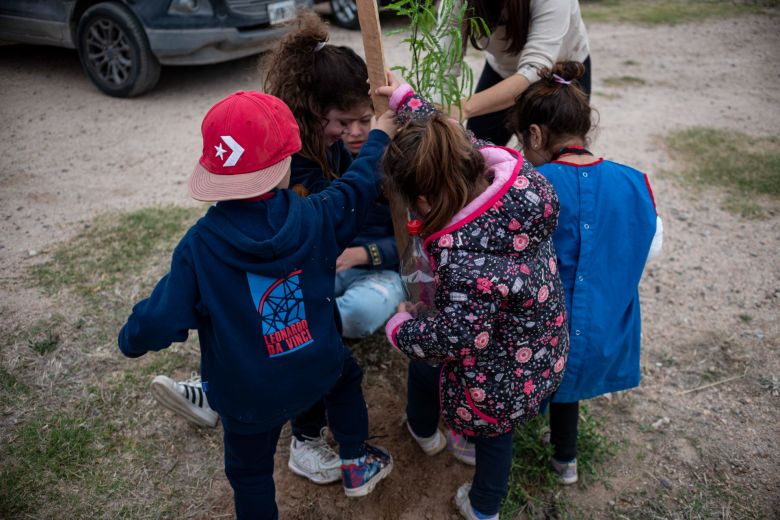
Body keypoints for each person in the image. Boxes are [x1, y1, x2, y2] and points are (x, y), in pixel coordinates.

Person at [149, 12, 406, 486]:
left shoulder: (392, 150)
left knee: (344, 315)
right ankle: (230, 397)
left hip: (370, 269)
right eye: (342, 121)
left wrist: (369, 255)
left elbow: (409, 234)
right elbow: (337, 201)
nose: (355, 132)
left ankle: (225, 389)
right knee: (296, 329)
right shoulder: (306, 164)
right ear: (313, 117)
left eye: (365, 120)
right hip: (316, 272)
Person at [118, 90, 395, 519]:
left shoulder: (200, 247)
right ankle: (356, 462)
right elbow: (359, 183)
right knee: (346, 378)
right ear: (286, 163)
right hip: (317, 366)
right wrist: (379, 135)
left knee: (249, 476)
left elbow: (159, 321)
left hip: (246, 394)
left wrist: (131, 338)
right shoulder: (318, 214)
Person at [380, 76, 570, 520]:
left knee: (493, 432)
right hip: (542, 339)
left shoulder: (465, 257)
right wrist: (405, 99)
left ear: (423, 200)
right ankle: (433, 433)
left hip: (502, 370)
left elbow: (458, 337)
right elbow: (450, 133)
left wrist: (402, 328)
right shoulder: (515, 180)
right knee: (453, 384)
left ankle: (483, 507)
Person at [507, 61, 663, 484]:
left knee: (540, 358)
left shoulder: (532, 186)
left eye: (525, 143)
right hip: (603, 337)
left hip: (540, 341)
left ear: (536, 136)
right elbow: (651, 246)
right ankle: (565, 461)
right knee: (568, 381)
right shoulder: (634, 182)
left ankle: (506, 443)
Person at [443, 0, 591, 146]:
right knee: (477, 147)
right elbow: (444, 62)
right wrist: (439, 110)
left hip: (561, 72)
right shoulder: (456, 2)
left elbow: (535, 69)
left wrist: (462, 108)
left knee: (558, 151)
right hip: (503, 69)